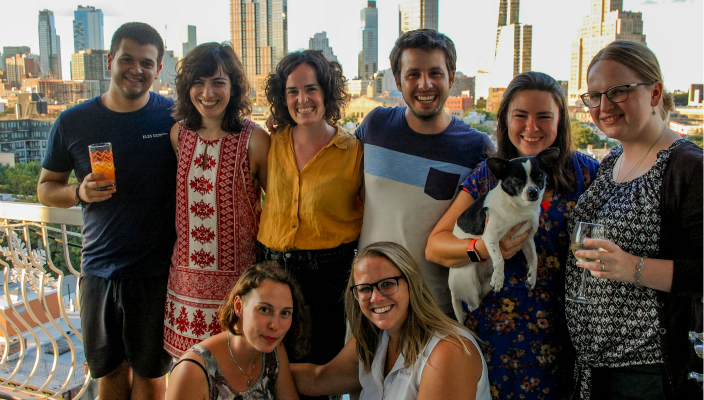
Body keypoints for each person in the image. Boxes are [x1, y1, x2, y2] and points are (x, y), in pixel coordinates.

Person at [426, 71, 600, 399]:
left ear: (560, 121)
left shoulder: (588, 174)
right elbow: (436, 246)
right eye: (520, 116)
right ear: (506, 119)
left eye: (544, 116)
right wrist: (485, 248)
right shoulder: (491, 177)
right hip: (497, 337)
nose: (531, 127)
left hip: (568, 337)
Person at [37, 22, 175, 399]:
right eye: (127, 59)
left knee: (151, 378)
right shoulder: (73, 121)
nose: (136, 69)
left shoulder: (174, 118)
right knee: (109, 376)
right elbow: (46, 188)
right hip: (98, 271)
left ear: (158, 69)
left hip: (156, 275)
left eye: (147, 63)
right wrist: (78, 192)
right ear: (110, 60)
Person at [565, 40, 704, 400]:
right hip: (592, 369)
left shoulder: (689, 168)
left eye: (618, 91)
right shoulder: (611, 161)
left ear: (655, 92)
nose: (603, 106)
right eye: (593, 96)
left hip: (647, 372)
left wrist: (632, 267)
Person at [354, 29, 493, 316]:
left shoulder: (477, 147)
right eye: (413, 74)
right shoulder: (376, 126)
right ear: (398, 81)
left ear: (451, 78)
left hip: (436, 310)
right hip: (370, 304)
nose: (424, 84)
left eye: (435, 73)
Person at [258, 50, 363, 388]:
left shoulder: (354, 152)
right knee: (267, 368)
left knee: (318, 374)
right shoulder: (269, 144)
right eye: (293, 91)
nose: (302, 99)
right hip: (270, 269)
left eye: (311, 89)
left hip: (328, 276)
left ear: (327, 92)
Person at [163, 42, 270, 358]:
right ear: (187, 87)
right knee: (189, 376)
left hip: (239, 287)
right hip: (186, 284)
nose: (207, 92)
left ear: (234, 87)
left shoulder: (255, 139)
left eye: (218, 82)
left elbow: (275, 204)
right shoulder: (178, 135)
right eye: (199, 82)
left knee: (237, 372)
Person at [290, 241, 490, 399]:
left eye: (387, 284)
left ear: (411, 284)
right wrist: (263, 354)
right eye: (365, 289)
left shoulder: (447, 351)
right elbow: (318, 379)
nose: (376, 298)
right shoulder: (373, 339)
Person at [166, 261, 309, 400]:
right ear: (239, 306)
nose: (275, 326)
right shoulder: (192, 371)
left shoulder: (275, 351)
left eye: (285, 313)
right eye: (264, 310)